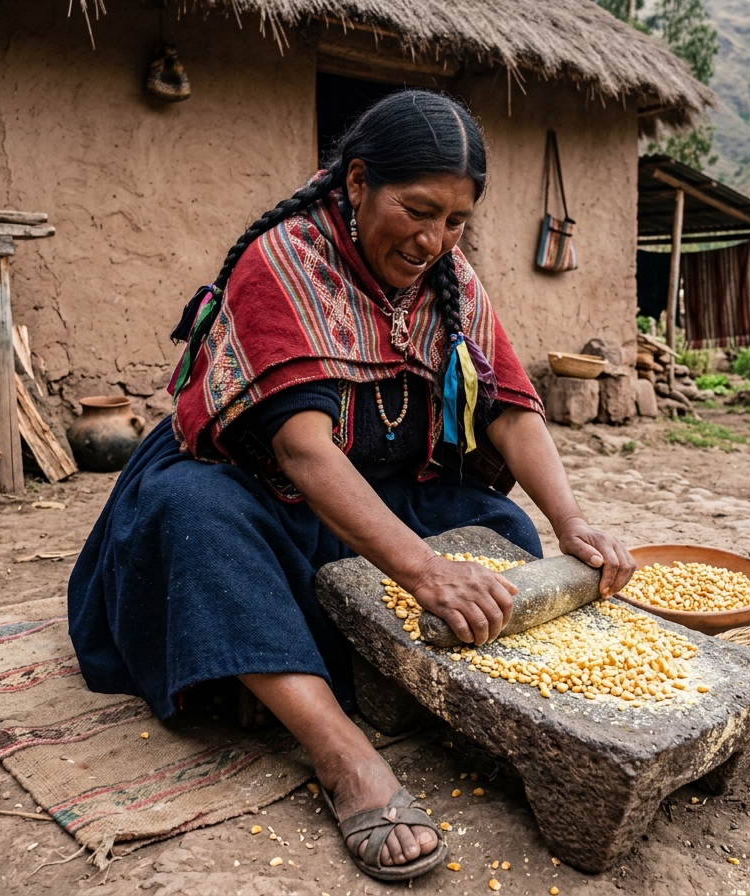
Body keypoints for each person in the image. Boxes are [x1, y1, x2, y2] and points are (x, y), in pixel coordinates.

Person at [68, 90, 635, 882]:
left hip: (372, 490)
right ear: (359, 181)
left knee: (501, 531)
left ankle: (352, 676)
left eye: (457, 220)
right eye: (418, 210)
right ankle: (341, 752)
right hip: (254, 489)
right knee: (192, 524)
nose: (435, 240)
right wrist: (426, 573)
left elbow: (508, 407)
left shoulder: (451, 282)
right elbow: (303, 453)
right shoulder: (284, 261)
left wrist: (572, 520)